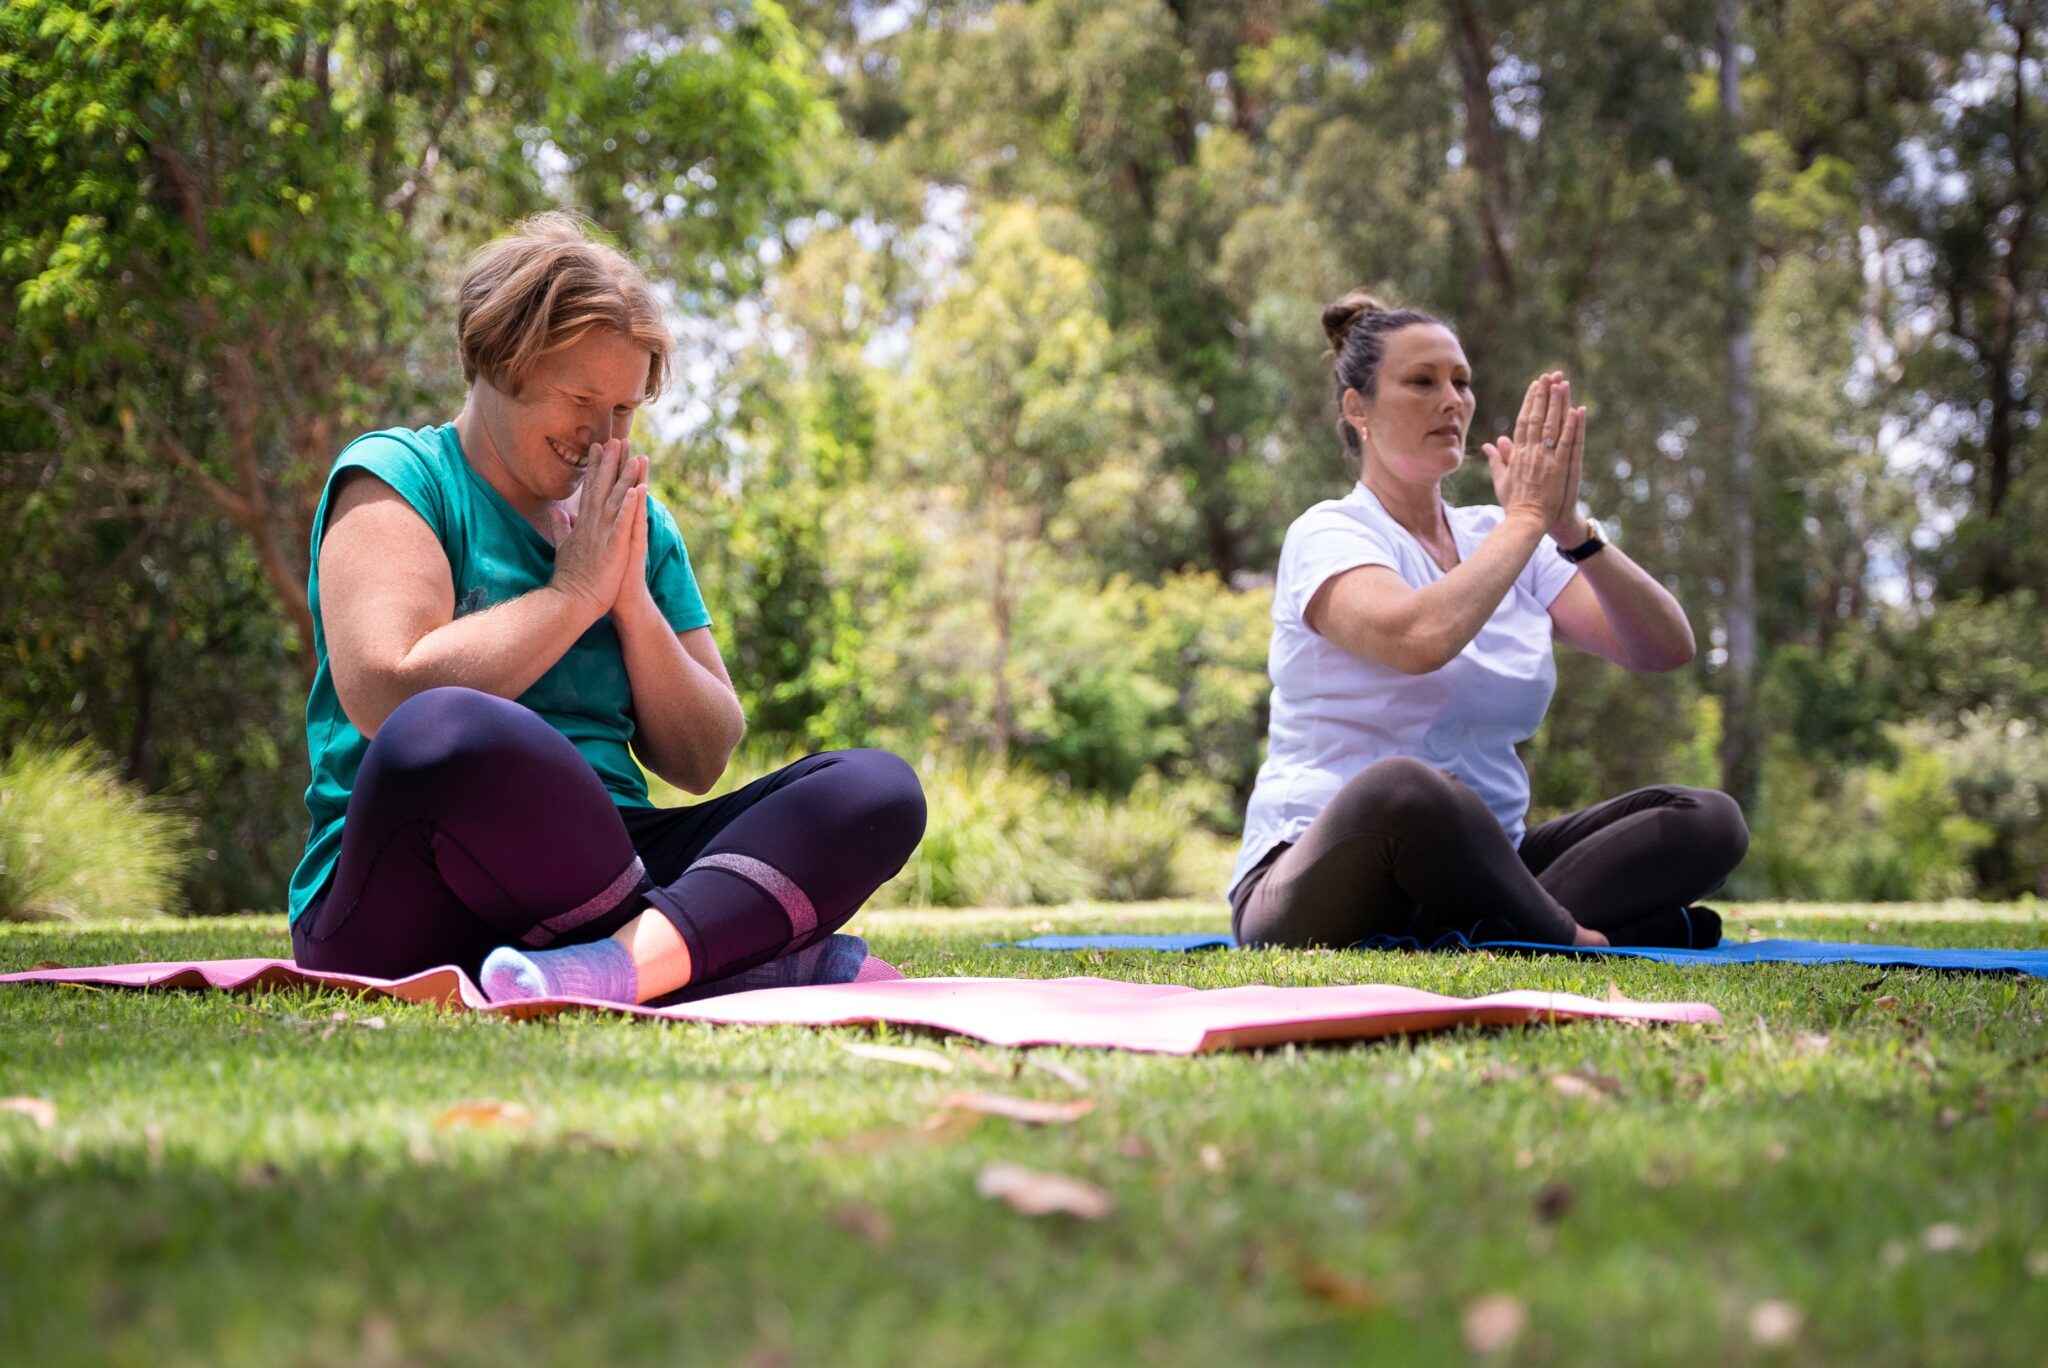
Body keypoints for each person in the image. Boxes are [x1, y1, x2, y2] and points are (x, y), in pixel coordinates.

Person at [288, 213, 926, 1004]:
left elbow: (702, 757)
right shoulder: (395, 477)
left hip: (610, 857)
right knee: (447, 732)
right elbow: (387, 693)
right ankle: (712, 949)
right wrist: (571, 594)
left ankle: (617, 962)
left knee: (872, 791)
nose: (601, 434)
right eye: (580, 398)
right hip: (405, 895)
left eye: (624, 409)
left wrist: (627, 601)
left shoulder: (634, 523)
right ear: (496, 361)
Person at [1229, 293, 1748, 951]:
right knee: (1406, 788)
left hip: (1495, 864)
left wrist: (1569, 530)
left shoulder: (1499, 536)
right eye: (1422, 382)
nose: (1453, 400)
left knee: (1707, 820)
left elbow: (1664, 647)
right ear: (1357, 409)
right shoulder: (1329, 533)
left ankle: (1494, 929)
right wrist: (1529, 519)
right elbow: (1419, 640)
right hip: (1319, 873)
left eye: (1462, 382)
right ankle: (1568, 936)